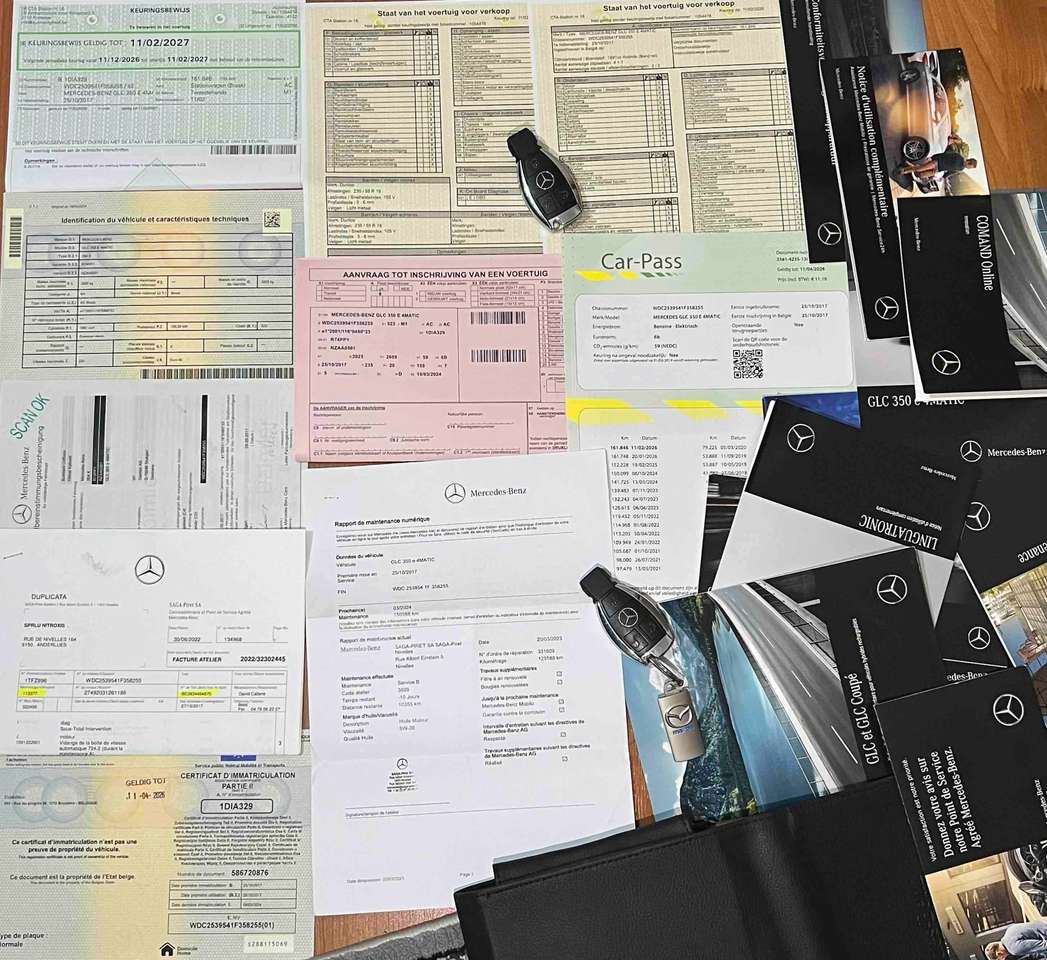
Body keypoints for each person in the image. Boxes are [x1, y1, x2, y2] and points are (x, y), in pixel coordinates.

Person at [894, 151, 978, 180]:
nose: (968, 168)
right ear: (968, 162)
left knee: (921, 175)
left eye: (970, 168)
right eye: (969, 167)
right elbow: (944, 154)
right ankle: (903, 171)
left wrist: (944, 177)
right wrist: (932, 157)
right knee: (919, 169)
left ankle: (908, 164)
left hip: (938, 170)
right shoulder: (958, 156)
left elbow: (951, 172)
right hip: (936, 162)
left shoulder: (961, 168)